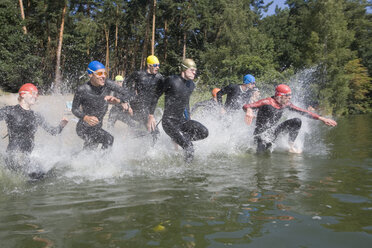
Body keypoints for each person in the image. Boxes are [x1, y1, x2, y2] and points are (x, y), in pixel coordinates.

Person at [243, 84, 337, 153]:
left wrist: (322, 119)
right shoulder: (267, 102)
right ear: (280, 96)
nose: (290, 98)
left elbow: (303, 111)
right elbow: (247, 105)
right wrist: (249, 110)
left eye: (290, 96)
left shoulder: (286, 104)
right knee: (260, 155)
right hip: (261, 135)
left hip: (273, 132)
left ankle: (291, 146)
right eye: (287, 96)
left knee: (297, 121)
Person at [0, 83, 68, 179]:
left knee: (43, 177)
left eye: (37, 94)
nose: (35, 96)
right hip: (14, 155)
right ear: (22, 95)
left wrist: (62, 125)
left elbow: (53, 131)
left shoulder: (36, 116)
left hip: (26, 157)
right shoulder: (10, 111)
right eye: (33, 93)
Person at [156, 58, 209, 162]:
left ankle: (179, 138)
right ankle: (186, 171)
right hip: (169, 121)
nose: (195, 73)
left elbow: (186, 102)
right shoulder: (171, 80)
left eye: (195, 70)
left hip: (182, 121)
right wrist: (150, 115)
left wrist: (188, 117)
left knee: (204, 132)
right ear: (184, 69)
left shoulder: (191, 85)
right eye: (192, 70)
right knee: (189, 147)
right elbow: (156, 95)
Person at [72, 61, 130, 150]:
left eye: (104, 73)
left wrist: (120, 101)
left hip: (97, 128)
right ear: (90, 75)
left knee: (90, 150)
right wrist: (86, 117)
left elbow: (126, 93)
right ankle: (103, 163)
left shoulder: (107, 84)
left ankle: (75, 160)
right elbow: (74, 109)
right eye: (99, 73)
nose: (103, 76)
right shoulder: (82, 89)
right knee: (109, 139)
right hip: (83, 128)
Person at [123, 55, 165, 142]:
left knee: (149, 129)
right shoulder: (139, 74)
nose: (157, 67)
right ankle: (151, 152)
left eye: (158, 65)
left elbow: (165, 89)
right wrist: (127, 101)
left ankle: (134, 139)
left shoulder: (159, 77)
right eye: (155, 65)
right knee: (155, 131)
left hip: (150, 106)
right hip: (139, 104)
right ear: (149, 65)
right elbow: (125, 83)